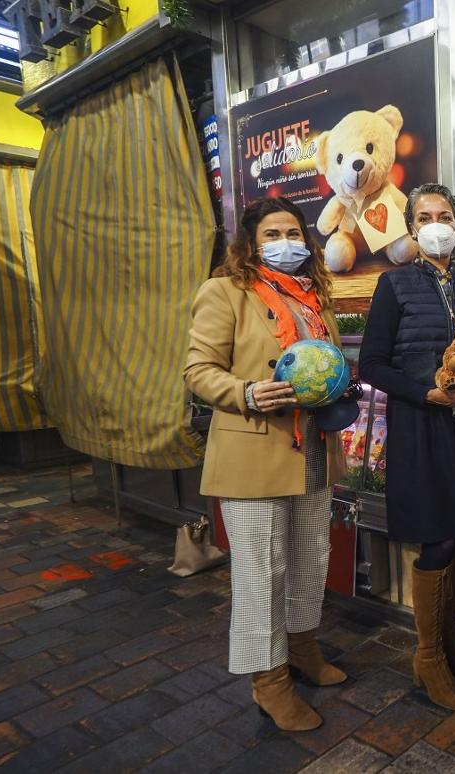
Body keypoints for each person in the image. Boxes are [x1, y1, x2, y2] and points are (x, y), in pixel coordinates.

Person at [184, 196, 348, 732]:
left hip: (313, 452)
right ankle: (269, 681)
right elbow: (198, 370)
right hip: (252, 449)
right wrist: (249, 392)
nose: (285, 241)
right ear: (251, 242)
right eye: (272, 233)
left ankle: (302, 648)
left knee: (309, 559)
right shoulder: (225, 292)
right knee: (261, 570)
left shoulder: (314, 296)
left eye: (293, 231)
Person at [359, 183, 455, 711]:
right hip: (420, 426)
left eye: (444, 216)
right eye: (424, 216)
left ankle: (450, 639)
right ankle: (428, 657)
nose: (435, 224)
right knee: (436, 540)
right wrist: (426, 392)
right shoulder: (393, 286)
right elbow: (371, 365)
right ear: (412, 228)